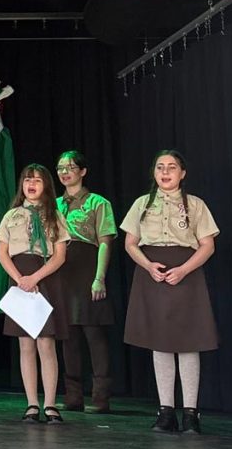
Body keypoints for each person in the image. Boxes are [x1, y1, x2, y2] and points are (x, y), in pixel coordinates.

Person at [121, 150, 219, 434]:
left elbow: (207, 245)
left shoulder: (196, 204)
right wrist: (148, 265)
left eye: (171, 167)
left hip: (185, 272)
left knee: (188, 342)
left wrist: (184, 270)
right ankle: (166, 412)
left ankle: (190, 413)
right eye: (160, 167)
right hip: (154, 272)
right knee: (160, 341)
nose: (165, 172)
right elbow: (130, 243)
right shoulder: (142, 204)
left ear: (182, 173)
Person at [0, 164, 70, 424]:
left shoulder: (54, 215)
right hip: (20, 277)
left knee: (46, 342)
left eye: (37, 180)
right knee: (25, 343)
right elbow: (2, 254)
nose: (31, 184)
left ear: (46, 185)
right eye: (27, 180)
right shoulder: (11, 215)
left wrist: (35, 278)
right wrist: (20, 280)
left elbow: (60, 256)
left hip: (45, 276)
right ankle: (31, 404)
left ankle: (50, 404)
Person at [54, 151, 116, 413]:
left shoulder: (97, 202)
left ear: (83, 171)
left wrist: (99, 278)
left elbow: (105, 242)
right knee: (67, 334)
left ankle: (100, 397)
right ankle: (73, 396)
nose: (64, 172)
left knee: (93, 332)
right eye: (60, 168)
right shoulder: (54, 204)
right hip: (61, 270)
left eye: (70, 167)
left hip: (87, 266)